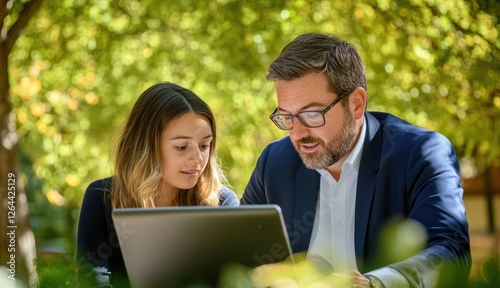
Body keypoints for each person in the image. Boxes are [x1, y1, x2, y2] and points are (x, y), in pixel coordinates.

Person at [241, 33, 471, 287]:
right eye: (287, 116)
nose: (297, 133)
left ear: (356, 104)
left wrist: (373, 283)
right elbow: (238, 256)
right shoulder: (274, 162)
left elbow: (450, 253)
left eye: (312, 114)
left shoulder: (420, 154)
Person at [76, 82, 238, 287]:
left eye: (204, 145)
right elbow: (91, 281)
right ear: (146, 146)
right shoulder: (101, 198)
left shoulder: (222, 203)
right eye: (181, 147)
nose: (197, 158)